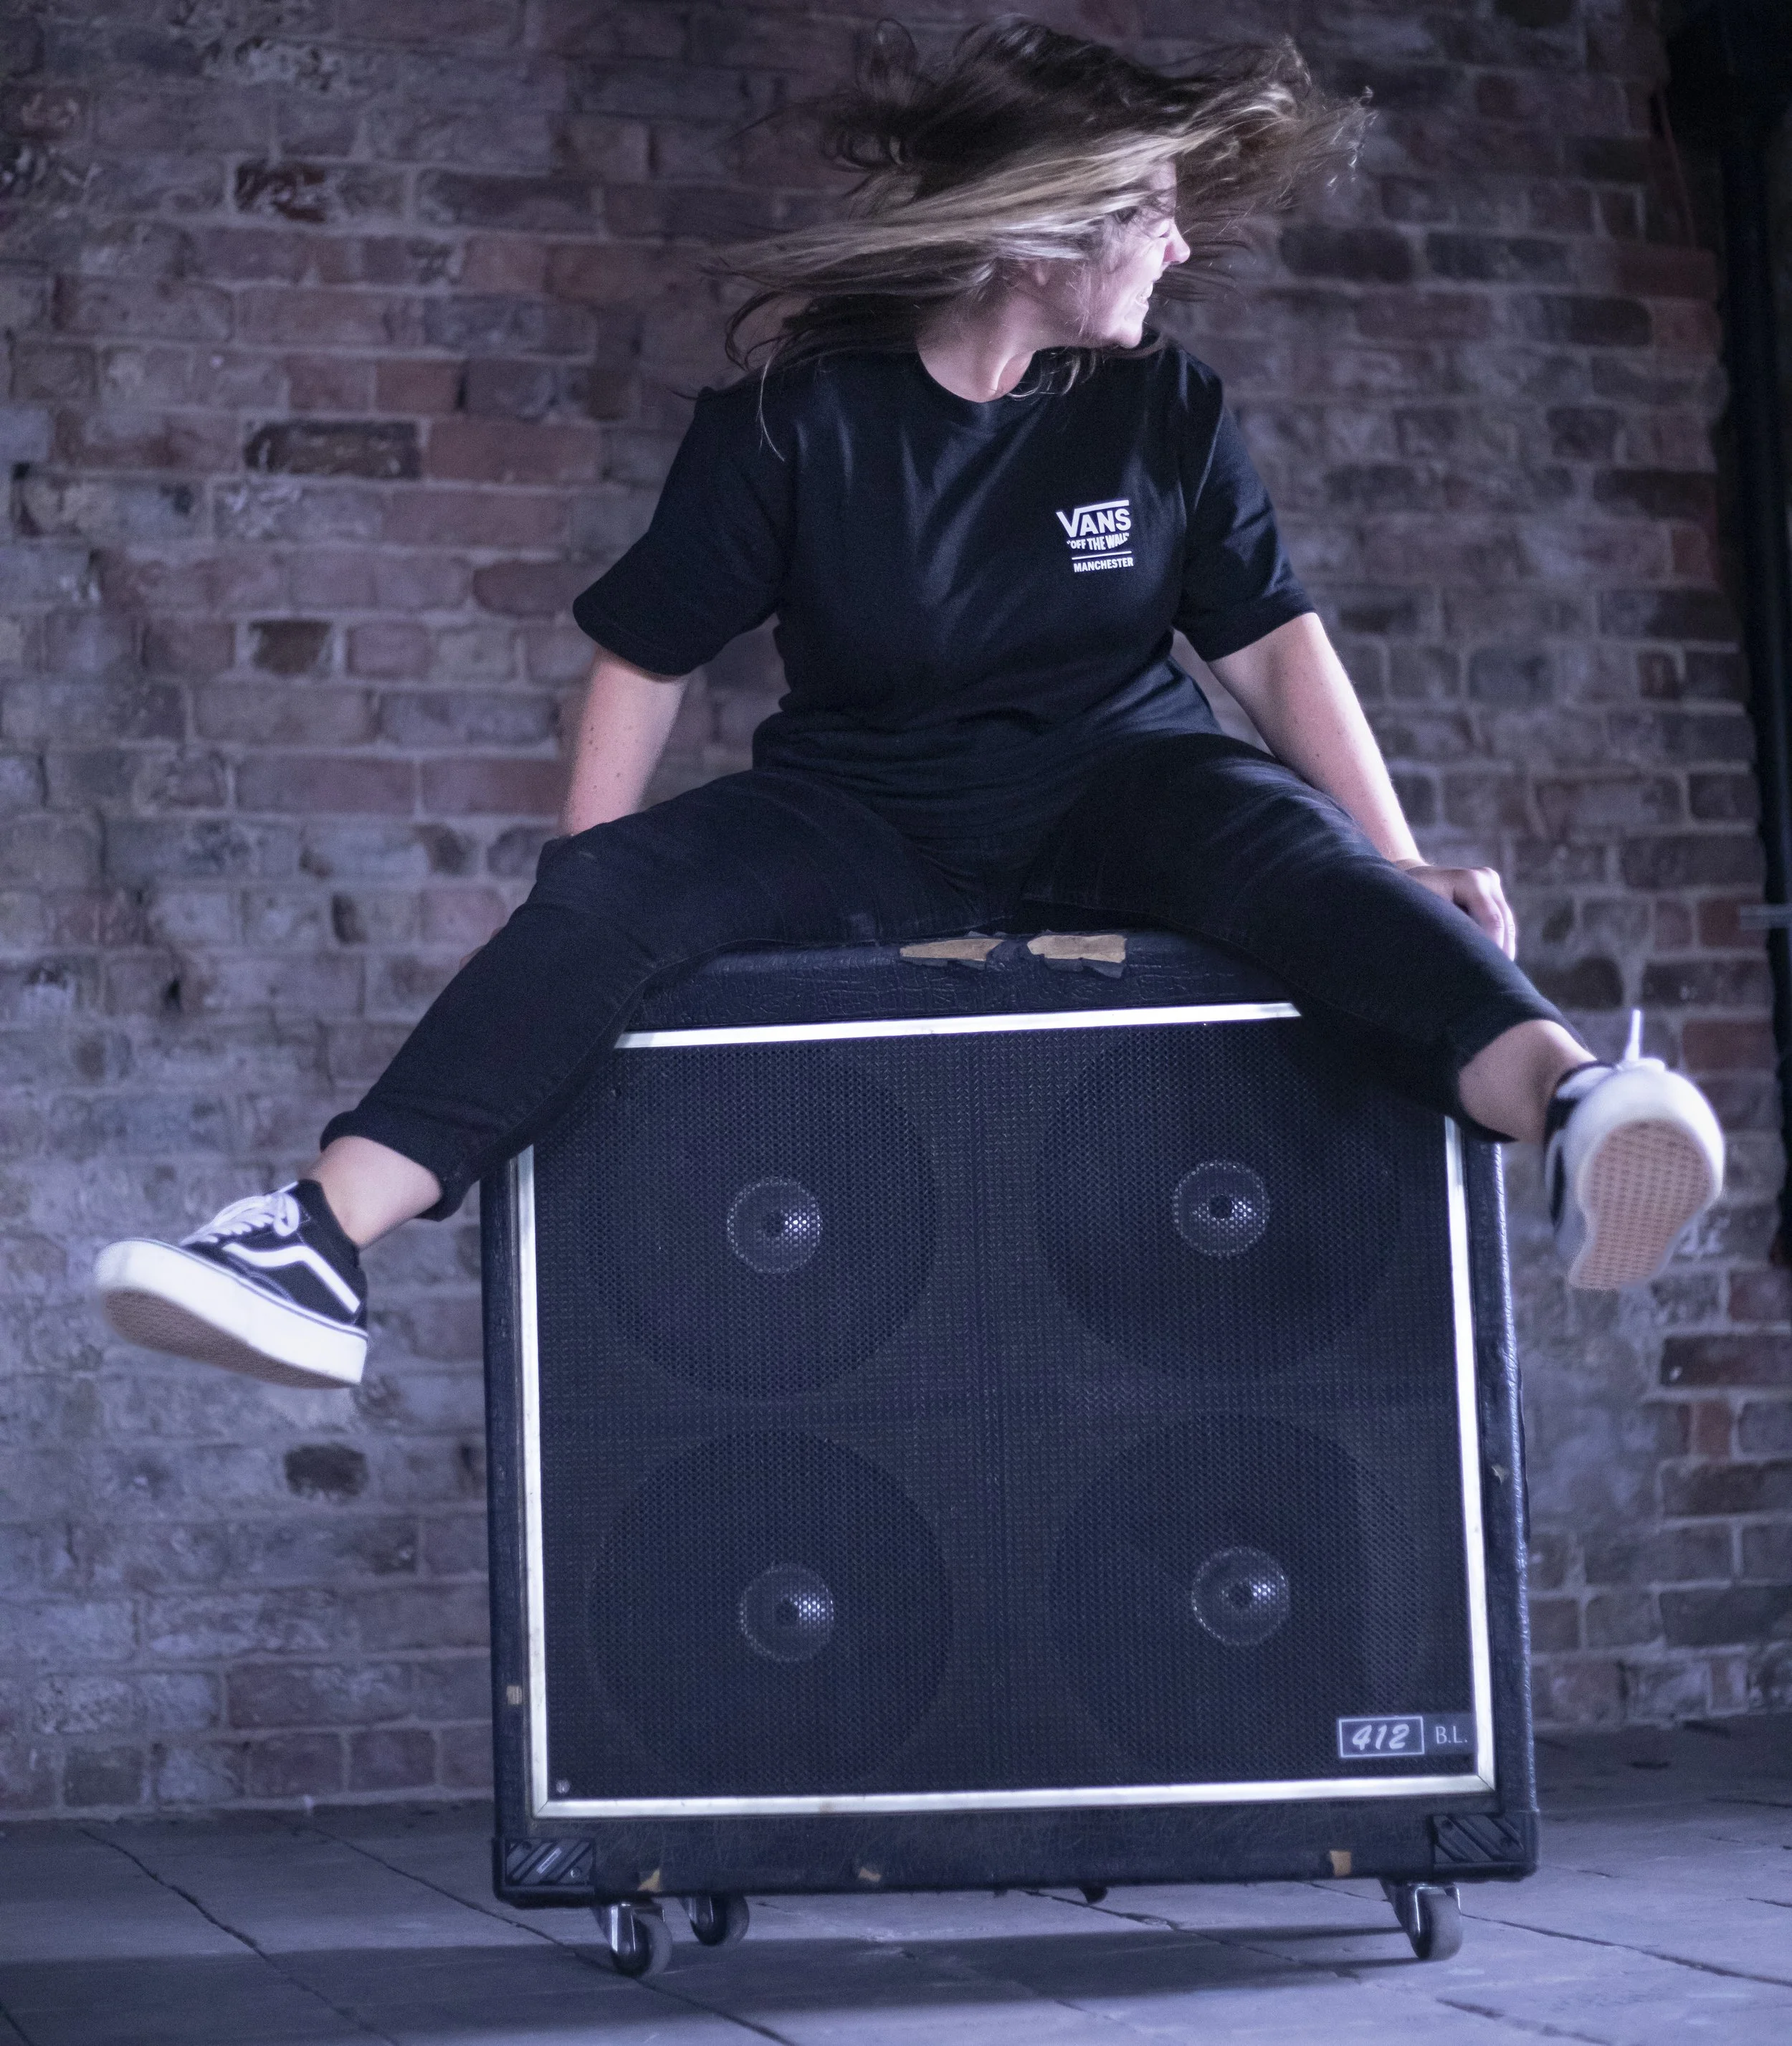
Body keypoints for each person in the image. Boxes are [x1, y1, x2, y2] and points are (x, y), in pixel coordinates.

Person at [95, 21, 1725, 1393]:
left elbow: (1267, 645)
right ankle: (306, 1243)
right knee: (611, 893)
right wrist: (586, 888)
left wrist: (1393, 849)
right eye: (1143, 215)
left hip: (1120, 778)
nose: (1177, 244)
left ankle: (1575, 1107)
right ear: (1036, 235)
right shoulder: (798, 422)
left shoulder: (1163, 405)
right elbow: (648, 653)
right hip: (858, 802)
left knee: (1306, 867)